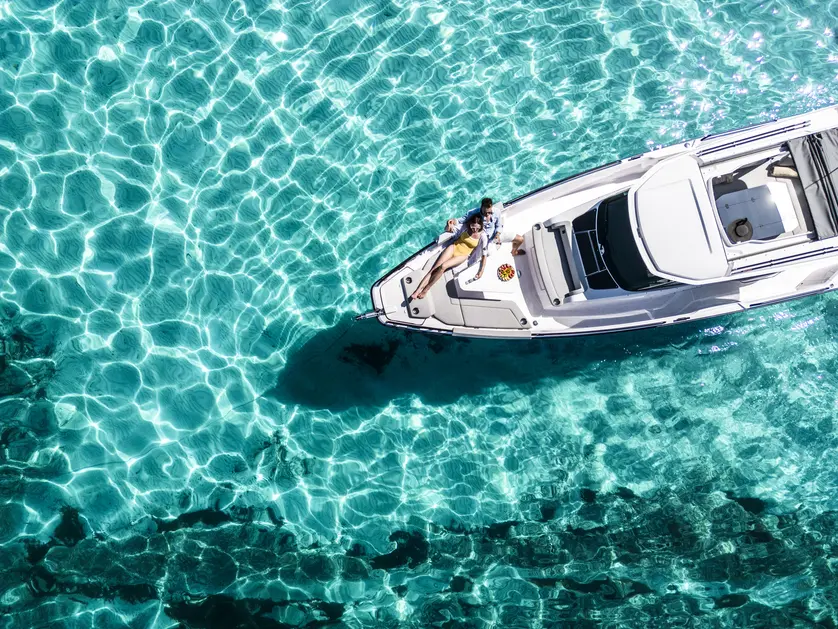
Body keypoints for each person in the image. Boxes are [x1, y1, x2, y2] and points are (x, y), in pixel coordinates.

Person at [411, 213, 488, 301]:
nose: (474, 229)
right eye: (472, 227)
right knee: (434, 269)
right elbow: (450, 229)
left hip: (463, 255)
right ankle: (417, 291)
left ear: (481, 225)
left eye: (477, 228)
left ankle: (426, 289)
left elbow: (484, 254)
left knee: (443, 267)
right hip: (454, 247)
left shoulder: (483, 236)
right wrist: (449, 224)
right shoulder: (465, 227)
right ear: (470, 223)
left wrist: (481, 270)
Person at [446, 197, 525, 256]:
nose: (487, 214)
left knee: (520, 239)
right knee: (490, 254)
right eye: (485, 212)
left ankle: (514, 252)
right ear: (481, 207)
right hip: (484, 240)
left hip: (495, 236)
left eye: (489, 212)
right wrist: (452, 221)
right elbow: (462, 220)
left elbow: (499, 225)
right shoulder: (473, 212)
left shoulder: (496, 211)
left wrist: (497, 234)